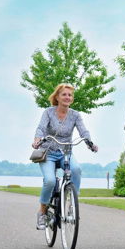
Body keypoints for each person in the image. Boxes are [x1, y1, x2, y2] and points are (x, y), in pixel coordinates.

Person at [32, 83, 98, 230]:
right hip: (48, 152)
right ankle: (42, 212)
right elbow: (41, 128)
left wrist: (90, 142)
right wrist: (37, 139)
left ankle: (71, 201)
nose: (67, 97)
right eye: (64, 94)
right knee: (49, 181)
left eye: (70, 95)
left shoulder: (75, 115)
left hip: (65, 153)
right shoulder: (48, 112)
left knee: (76, 170)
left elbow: (83, 131)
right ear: (57, 97)